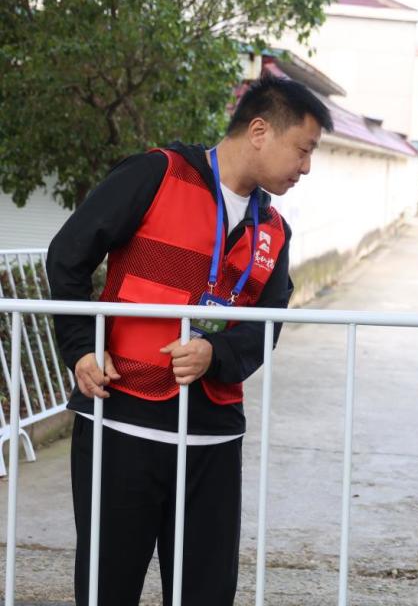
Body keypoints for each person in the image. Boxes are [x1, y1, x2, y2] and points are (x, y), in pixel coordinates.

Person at [47, 75, 333, 606]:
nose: (306, 167)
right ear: (260, 130)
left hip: (211, 439)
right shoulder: (156, 174)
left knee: (205, 591)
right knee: (107, 588)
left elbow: (265, 326)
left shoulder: (273, 231)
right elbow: (67, 255)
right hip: (120, 420)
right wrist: (81, 348)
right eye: (304, 150)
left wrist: (215, 354)